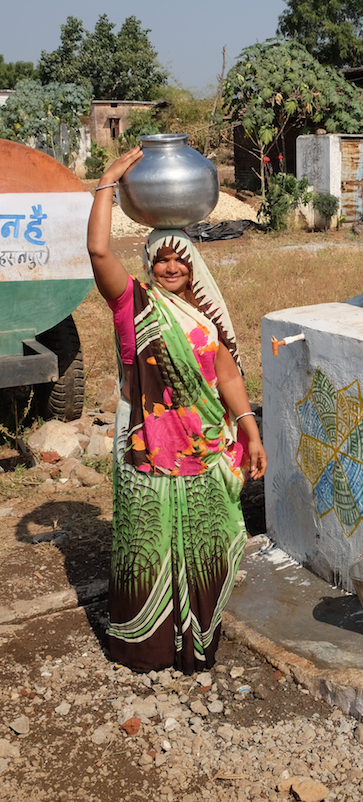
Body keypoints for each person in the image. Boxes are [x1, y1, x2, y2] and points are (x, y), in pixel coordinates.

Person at [87, 147, 267, 673]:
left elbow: (227, 374)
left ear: (193, 267)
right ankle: (145, 649)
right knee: (146, 543)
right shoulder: (133, 303)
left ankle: (197, 642)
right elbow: (99, 252)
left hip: (203, 445)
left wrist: (249, 431)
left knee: (204, 544)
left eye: (178, 260)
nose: (168, 267)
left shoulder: (203, 319)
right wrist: (106, 182)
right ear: (148, 264)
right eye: (160, 259)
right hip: (146, 446)